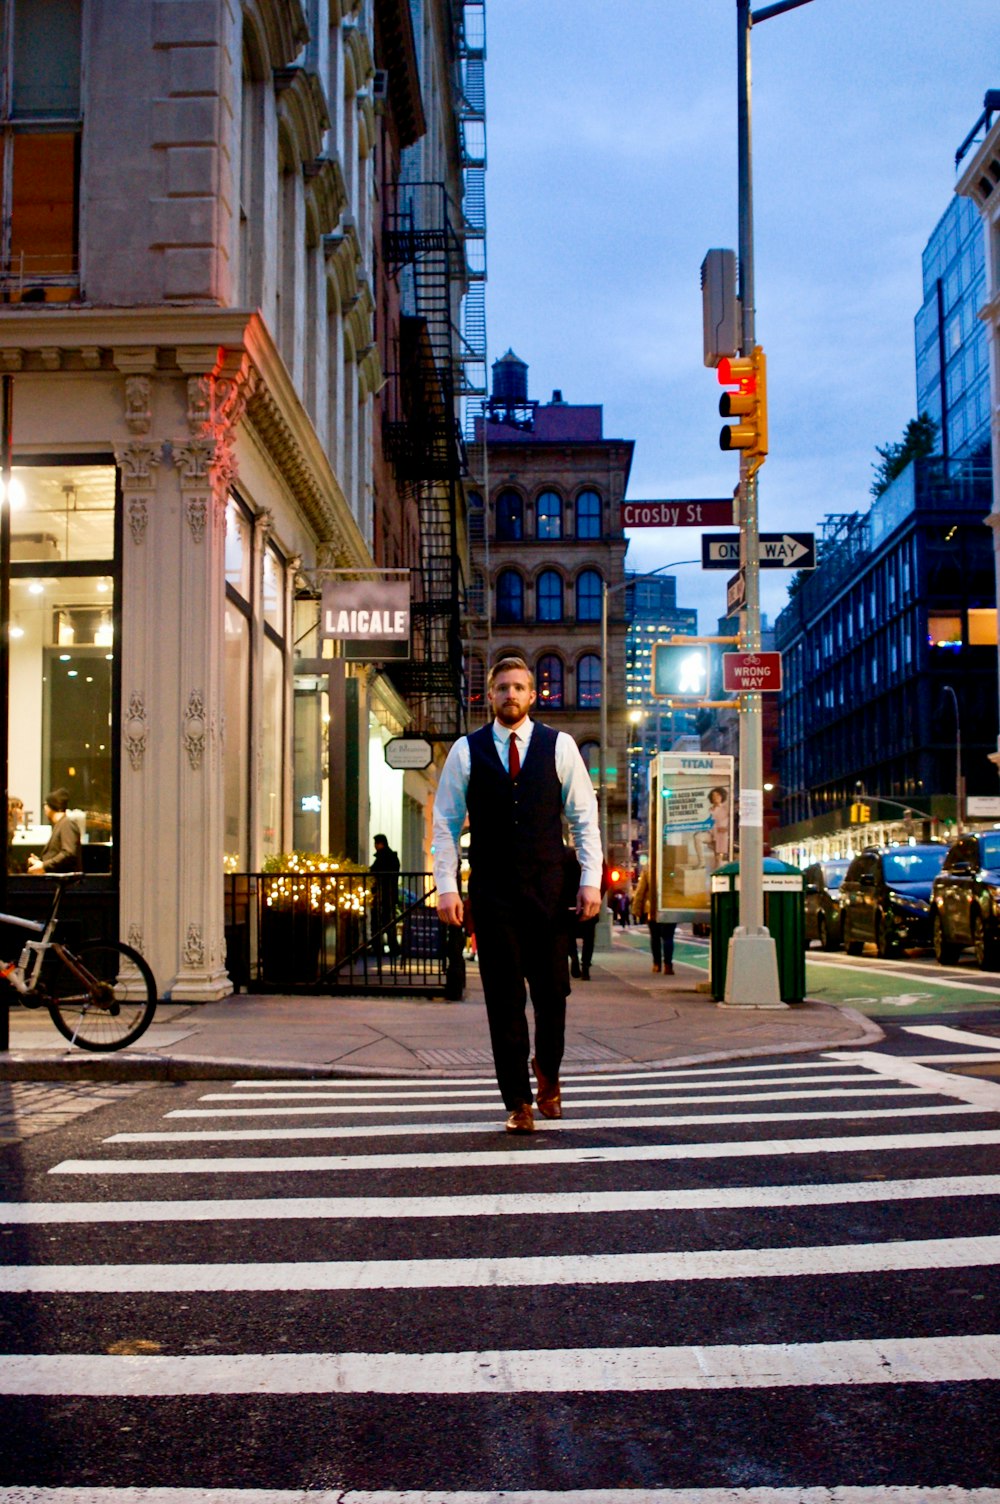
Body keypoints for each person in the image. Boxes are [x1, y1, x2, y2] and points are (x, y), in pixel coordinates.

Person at [434, 656, 602, 1134]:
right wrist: (448, 887)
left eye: (519, 687)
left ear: (532, 695)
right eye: (502, 687)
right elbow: (445, 825)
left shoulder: (560, 745)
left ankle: (548, 1072)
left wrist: (591, 878)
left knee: (553, 995)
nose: (510, 694)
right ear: (490, 695)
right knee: (503, 1001)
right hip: (492, 894)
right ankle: (518, 1101)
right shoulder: (465, 752)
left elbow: (584, 818)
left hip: (549, 892)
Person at [632, 864, 676, 975]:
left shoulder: (648, 869)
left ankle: (656, 964)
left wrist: (636, 910)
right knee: (668, 937)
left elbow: (640, 891)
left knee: (655, 937)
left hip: (651, 908)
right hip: (670, 906)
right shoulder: (673, 866)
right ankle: (668, 965)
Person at [27, 789, 82, 874]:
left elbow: (68, 853)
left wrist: (43, 866)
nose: (44, 808)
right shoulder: (62, 824)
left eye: (45, 804)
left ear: (51, 806)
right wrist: (39, 862)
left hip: (64, 883)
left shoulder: (67, 823)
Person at [369, 833, 401, 959]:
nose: (375, 846)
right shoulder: (392, 857)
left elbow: (374, 872)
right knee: (389, 922)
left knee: (377, 923)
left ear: (380, 844)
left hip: (382, 895)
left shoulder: (383, 857)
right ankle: (393, 947)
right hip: (389, 894)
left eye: (376, 844)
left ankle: (379, 947)